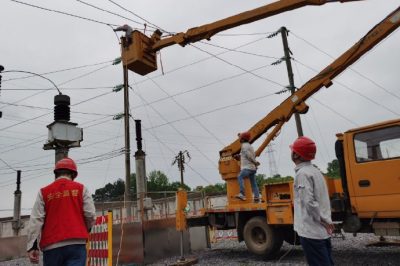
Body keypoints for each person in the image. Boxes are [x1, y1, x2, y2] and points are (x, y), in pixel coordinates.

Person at [26, 157, 96, 266]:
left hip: (51, 246)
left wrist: (32, 246)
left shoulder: (44, 192)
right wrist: (86, 229)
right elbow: (90, 215)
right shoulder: (81, 189)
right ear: (73, 174)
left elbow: (36, 220)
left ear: (56, 174)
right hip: (76, 243)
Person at [290, 136, 335, 266]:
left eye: (292, 150)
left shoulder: (302, 174)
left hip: (312, 231)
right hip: (320, 231)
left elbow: (309, 202)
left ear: (296, 155)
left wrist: (323, 221)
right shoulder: (316, 171)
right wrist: (326, 220)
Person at [235, 131, 261, 202]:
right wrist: (239, 156)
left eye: (240, 138)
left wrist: (255, 163)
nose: (239, 140)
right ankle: (256, 198)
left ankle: (242, 194)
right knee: (253, 183)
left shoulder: (244, 146)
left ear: (243, 139)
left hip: (247, 168)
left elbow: (248, 156)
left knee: (240, 176)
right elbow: (246, 155)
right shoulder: (250, 146)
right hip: (252, 168)